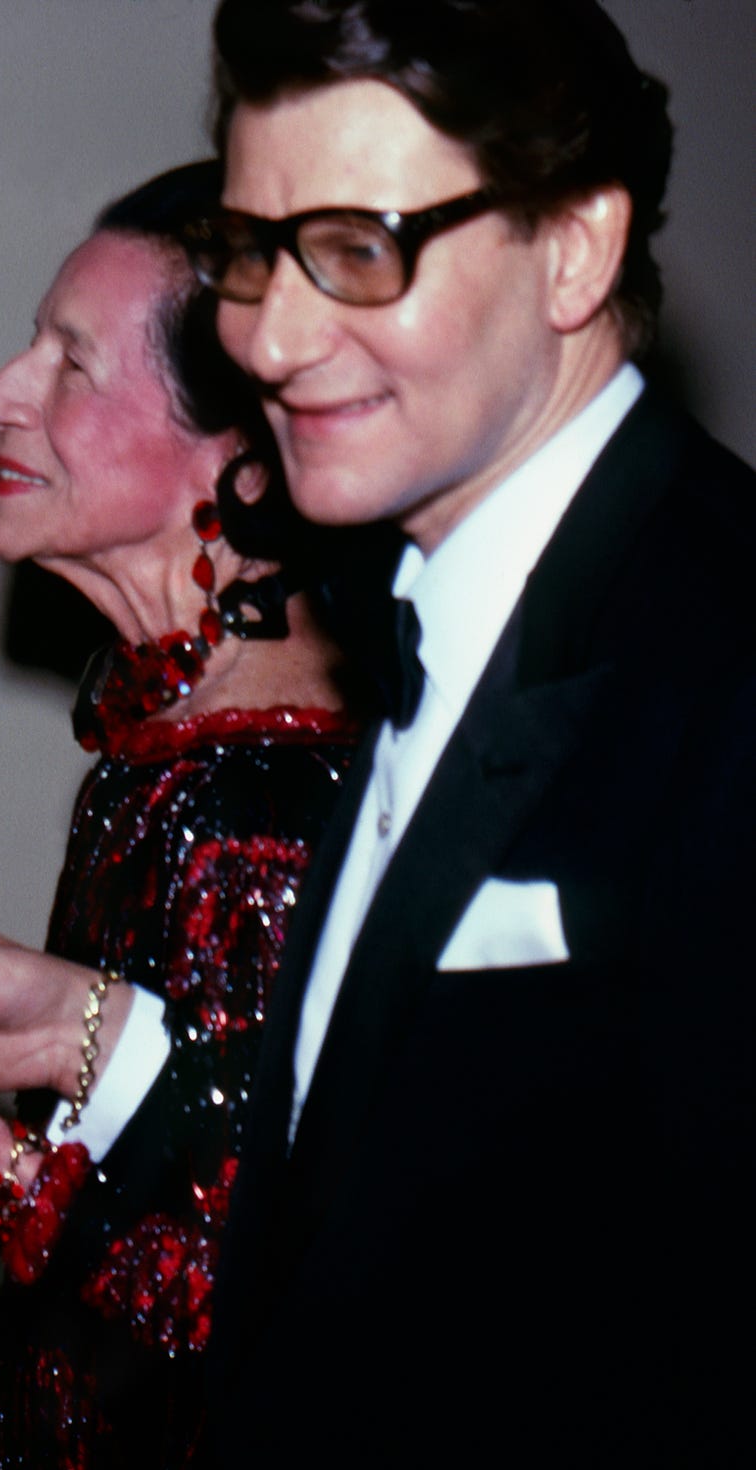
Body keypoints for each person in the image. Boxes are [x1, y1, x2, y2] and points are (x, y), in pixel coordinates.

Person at [169, 2, 752, 1465]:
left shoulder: (729, 650)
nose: (271, 337)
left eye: (360, 249)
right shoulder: (411, 595)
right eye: (249, 247)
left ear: (575, 249)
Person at [0, 161, 360, 1468]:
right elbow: (200, 1126)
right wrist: (63, 1031)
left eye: (69, 364)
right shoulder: (166, 748)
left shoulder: (266, 791)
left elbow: (269, 1332)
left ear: (247, 464)